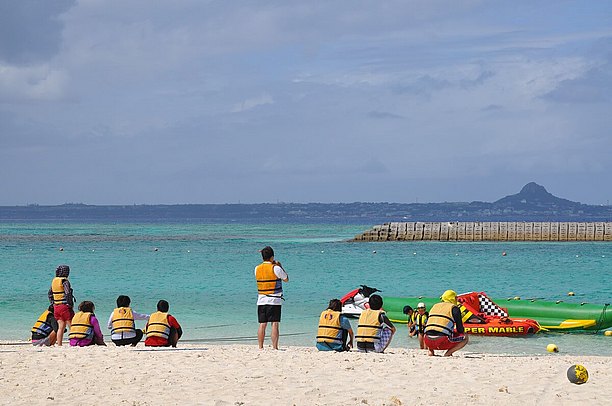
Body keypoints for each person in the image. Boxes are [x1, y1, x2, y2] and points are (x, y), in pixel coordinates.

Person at [255, 246, 289, 350]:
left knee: (262, 324)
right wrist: (280, 266)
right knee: (274, 323)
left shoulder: (257, 268)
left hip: (261, 299)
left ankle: (260, 347)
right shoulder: (275, 268)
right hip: (274, 300)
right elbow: (286, 278)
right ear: (272, 257)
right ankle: (275, 347)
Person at [423, 290, 468, 356]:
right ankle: (448, 353)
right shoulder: (454, 308)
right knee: (465, 338)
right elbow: (460, 329)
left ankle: (430, 351)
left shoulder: (435, 306)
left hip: (427, 340)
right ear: (452, 298)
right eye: (455, 298)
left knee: (432, 328)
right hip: (442, 341)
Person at [48, 265, 75, 346]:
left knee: (61, 327)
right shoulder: (65, 281)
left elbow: (49, 293)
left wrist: (53, 303)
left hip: (56, 307)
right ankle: (73, 342)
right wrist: (70, 304)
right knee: (72, 325)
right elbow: (67, 293)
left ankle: (59, 344)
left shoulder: (54, 281)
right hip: (65, 306)